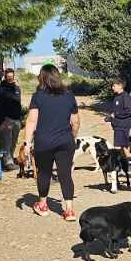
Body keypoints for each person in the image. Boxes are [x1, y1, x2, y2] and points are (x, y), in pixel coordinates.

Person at [22, 64, 81, 220]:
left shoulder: (38, 96)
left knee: (44, 173)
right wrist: (72, 137)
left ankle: (42, 205)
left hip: (44, 142)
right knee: (65, 174)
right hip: (65, 141)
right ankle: (69, 210)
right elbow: (75, 122)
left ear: (42, 78)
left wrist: (27, 143)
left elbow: (32, 120)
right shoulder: (69, 96)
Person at [0, 68, 25, 170]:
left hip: (17, 119)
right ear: (5, 76)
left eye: (11, 77)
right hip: (7, 119)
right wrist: (2, 119)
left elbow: (18, 103)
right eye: (8, 77)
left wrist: (21, 118)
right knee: (7, 141)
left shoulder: (17, 87)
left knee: (14, 142)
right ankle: (7, 162)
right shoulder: (1, 89)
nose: (10, 79)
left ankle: (10, 158)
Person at [107, 78, 131, 160]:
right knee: (123, 146)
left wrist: (116, 114)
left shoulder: (125, 96)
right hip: (117, 125)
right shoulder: (116, 97)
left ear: (120, 86)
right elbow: (115, 111)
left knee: (118, 147)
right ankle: (128, 161)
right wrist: (110, 118)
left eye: (114, 86)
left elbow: (129, 111)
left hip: (122, 126)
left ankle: (120, 163)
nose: (112, 88)